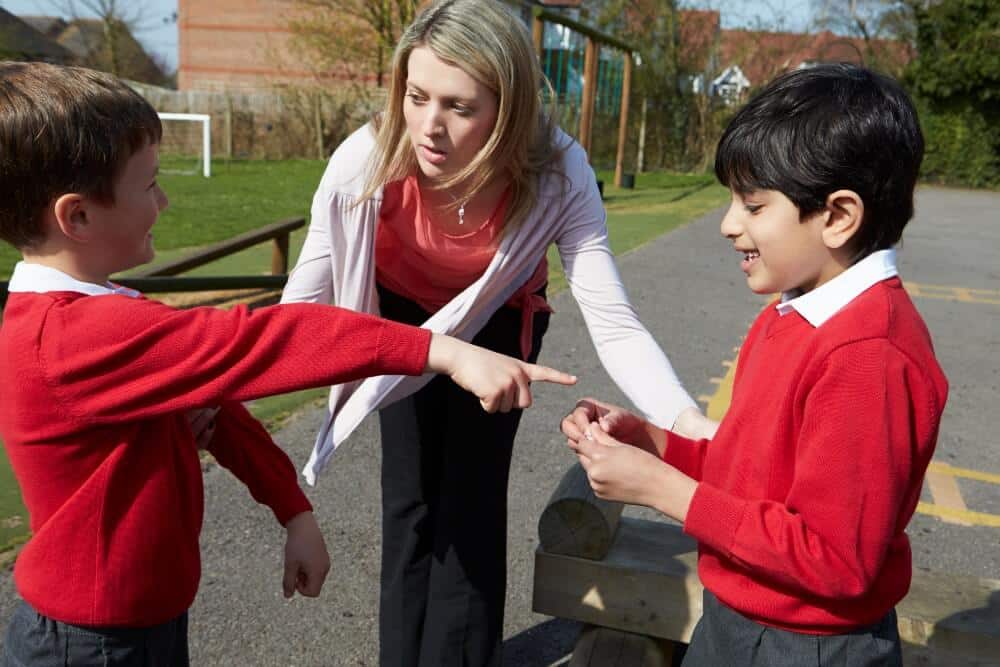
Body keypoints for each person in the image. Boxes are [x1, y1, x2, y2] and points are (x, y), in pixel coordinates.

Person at [0, 62, 576, 666]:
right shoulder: (71, 337)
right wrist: (441, 349)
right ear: (78, 217)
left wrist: (292, 509)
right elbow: (264, 342)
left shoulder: (108, 314)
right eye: (148, 185)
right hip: (90, 645)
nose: (164, 200)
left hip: (138, 622)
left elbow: (217, 411)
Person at [280, 0, 714, 663]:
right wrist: (217, 392)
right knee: (411, 498)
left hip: (500, 321)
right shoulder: (366, 159)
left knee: (471, 501)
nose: (429, 126)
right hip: (405, 319)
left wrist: (689, 423)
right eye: (417, 96)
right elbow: (300, 305)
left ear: (507, 108)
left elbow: (615, 323)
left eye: (459, 106)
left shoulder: (557, 173)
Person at [563, 63, 948, 666]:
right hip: (738, 617)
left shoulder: (870, 357)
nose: (728, 224)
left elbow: (835, 558)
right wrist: (655, 447)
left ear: (839, 216)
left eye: (753, 205)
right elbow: (755, 471)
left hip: (811, 646)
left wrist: (667, 492)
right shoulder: (791, 312)